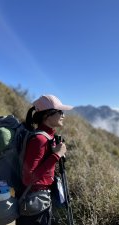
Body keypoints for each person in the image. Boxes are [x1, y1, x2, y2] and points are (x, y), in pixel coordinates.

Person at [16, 94, 73, 225]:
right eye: (60, 112)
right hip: (34, 204)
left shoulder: (47, 137)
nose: (63, 115)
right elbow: (28, 177)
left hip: (40, 200)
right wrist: (56, 156)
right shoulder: (39, 139)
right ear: (47, 115)